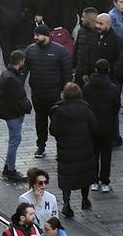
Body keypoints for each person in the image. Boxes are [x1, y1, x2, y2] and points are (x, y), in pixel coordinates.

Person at [49, 83, 96, 217]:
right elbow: (95, 126)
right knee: (84, 174)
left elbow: (53, 131)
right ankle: (85, 199)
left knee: (66, 177)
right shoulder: (86, 109)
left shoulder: (58, 111)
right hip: (84, 149)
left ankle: (66, 204)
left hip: (66, 150)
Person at [25, 25, 71, 158]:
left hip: (54, 94)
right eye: (35, 35)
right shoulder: (30, 50)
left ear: (46, 36)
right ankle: (41, 145)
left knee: (57, 122)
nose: (35, 38)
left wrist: (65, 91)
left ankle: (60, 147)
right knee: (40, 121)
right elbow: (25, 71)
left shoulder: (60, 51)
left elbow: (67, 74)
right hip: (37, 94)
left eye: (38, 35)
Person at [82, 59, 120, 192]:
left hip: (91, 126)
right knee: (106, 154)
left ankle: (93, 181)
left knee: (93, 154)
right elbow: (116, 107)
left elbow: (84, 106)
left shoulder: (87, 87)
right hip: (107, 125)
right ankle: (105, 181)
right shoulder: (113, 88)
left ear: (95, 70)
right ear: (108, 70)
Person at [0, 50, 31, 182]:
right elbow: (16, 100)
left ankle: (7, 167)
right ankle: (11, 171)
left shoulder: (7, 74)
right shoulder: (12, 79)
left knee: (13, 140)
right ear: (21, 61)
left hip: (10, 113)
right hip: (13, 115)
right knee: (14, 141)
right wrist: (26, 107)